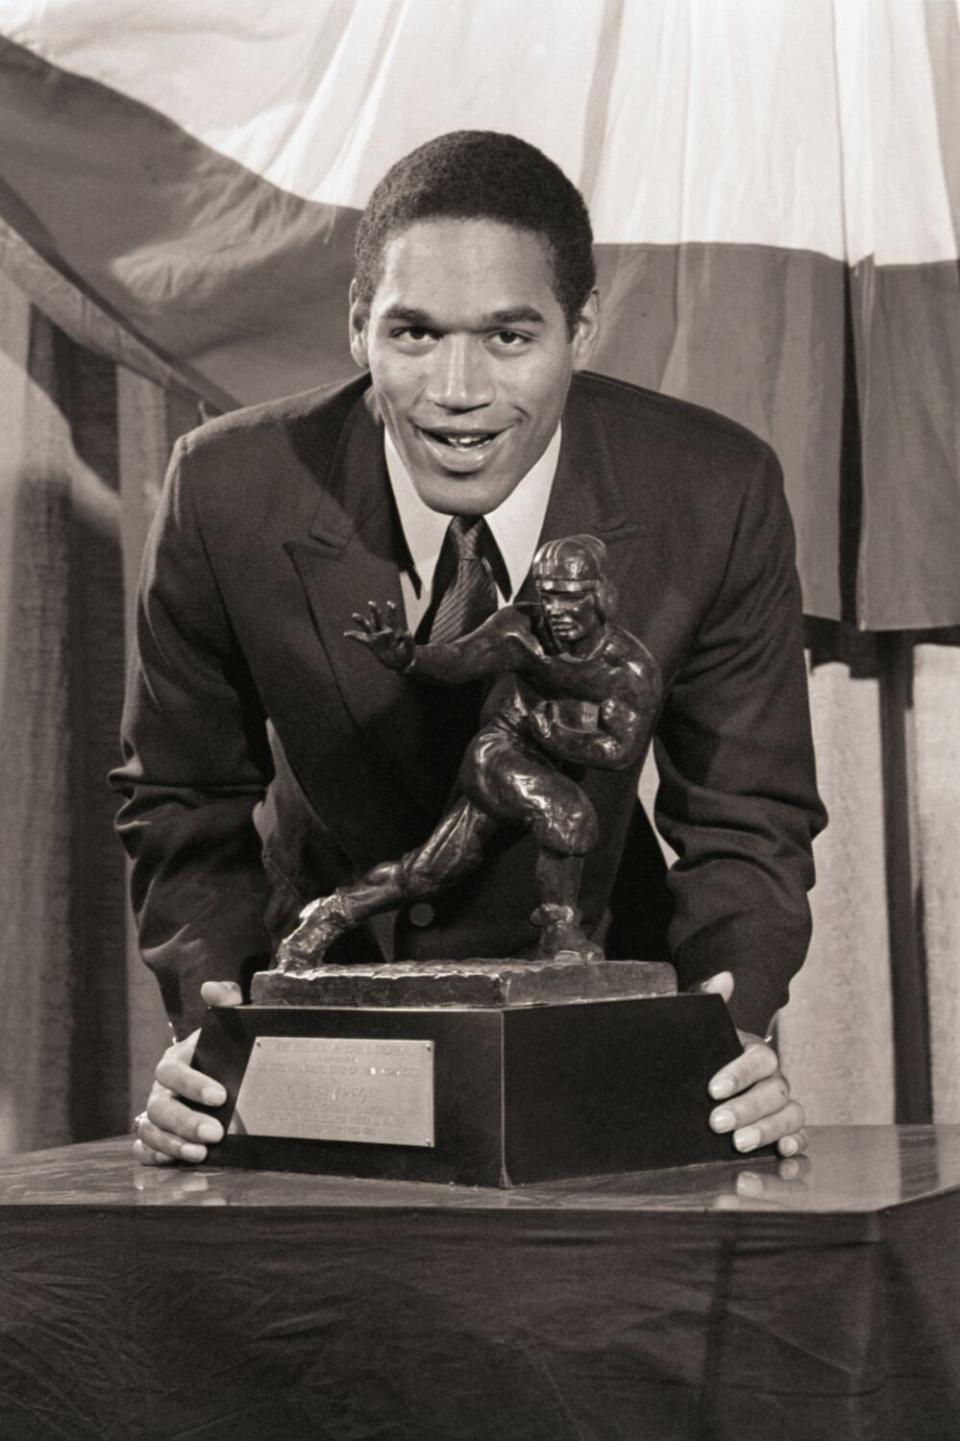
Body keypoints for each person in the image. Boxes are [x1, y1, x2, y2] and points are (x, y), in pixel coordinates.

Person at [113, 130, 825, 1168]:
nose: (457, 389)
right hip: (320, 1033)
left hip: (595, 1026)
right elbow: (179, 794)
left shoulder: (715, 491)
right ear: (359, 329)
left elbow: (749, 816)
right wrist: (213, 1018)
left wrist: (729, 1027)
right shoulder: (223, 490)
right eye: (414, 334)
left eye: (507, 337)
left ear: (581, 329)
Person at [278, 533, 663, 970]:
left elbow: (619, 750)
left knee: (428, 873)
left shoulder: (627, 670)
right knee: (567, 813)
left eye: (570, 598)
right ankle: (562, 932)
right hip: (500, 750)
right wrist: (410, 658)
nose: (556, 611)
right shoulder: (519, 631)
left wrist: (558, 738)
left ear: (601, 597)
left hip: (540, 756)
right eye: (548, 596)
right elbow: (459, 658)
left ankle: (330, 914)